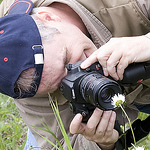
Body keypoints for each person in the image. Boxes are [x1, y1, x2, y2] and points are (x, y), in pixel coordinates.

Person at [0, 0, 150, 149]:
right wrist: (102, 143)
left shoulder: (130, 4)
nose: (80, 73)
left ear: (48, 17)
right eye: (60, 85)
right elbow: (60, 144)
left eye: (67, 59)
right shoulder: (24, 80)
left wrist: (145, 43)